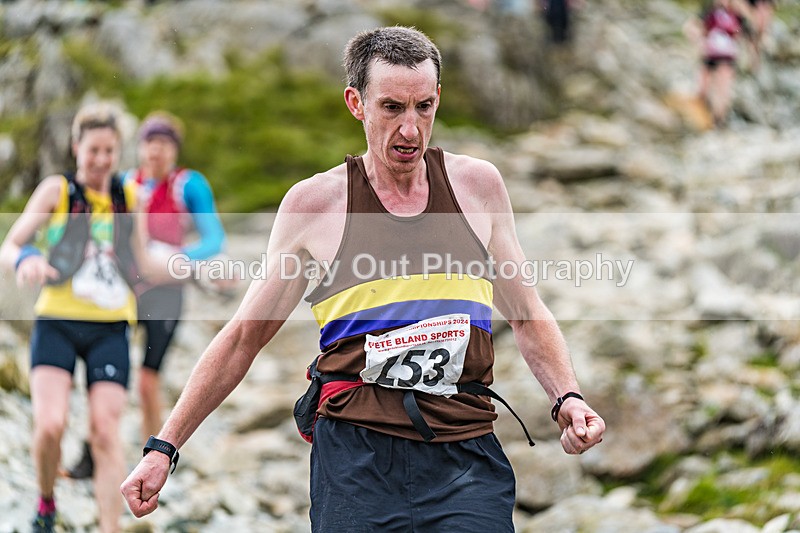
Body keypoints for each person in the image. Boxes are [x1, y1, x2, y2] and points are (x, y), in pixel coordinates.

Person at [120, 26, 605, 531]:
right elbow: (244, 337)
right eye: (392, 108)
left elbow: (526, 315)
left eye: (423, 107)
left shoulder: (478, 188)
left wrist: (567, 397)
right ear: (357, 103)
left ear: (438, 98)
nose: (411, 129)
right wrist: (164, 447)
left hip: (464, 453)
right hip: (356, 461)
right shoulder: (314, 206)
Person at [64, 111, 228, 480]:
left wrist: (174, 258)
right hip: (124, 290)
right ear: (138, 148)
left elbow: (215, 238)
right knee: (103, 376)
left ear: (174, 151)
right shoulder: (124, 184)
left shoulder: (189, 185)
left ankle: (151, 461)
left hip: (166, 293)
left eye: (164, 145)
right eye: (150, 144)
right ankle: (90, 455)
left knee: (148, 380)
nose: (156, 152)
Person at [0, 102, 140, 533]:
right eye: (93, 149)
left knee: (105, 429)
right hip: (56, 322)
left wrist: (194, 268)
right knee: (50, 425)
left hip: (112, 326)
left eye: (109, 151)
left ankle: (109, 527)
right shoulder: (56, 191)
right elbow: (12, 241)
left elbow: (147, 259)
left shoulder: (129, 196)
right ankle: (46, 501)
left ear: (118, 152)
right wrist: (25, 259)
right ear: (76, 147)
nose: (101, 160)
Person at [688, 0, 744, 128]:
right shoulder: (709, 11)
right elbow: (693, 26)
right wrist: (699, 40)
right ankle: (703, 118)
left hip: (727, 56)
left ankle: (719, 121)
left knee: (723, 89)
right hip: (710, 54)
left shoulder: (735, 13)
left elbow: (741, 31)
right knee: (703, 87)